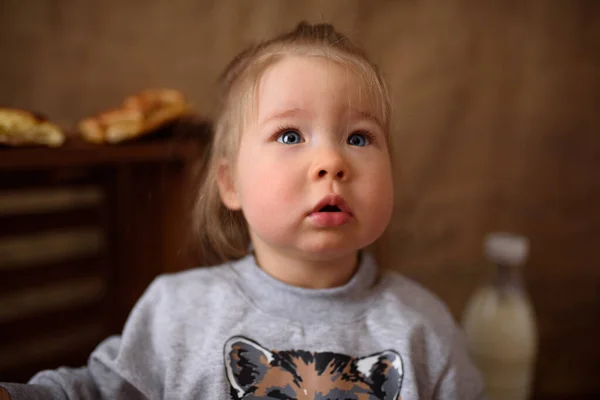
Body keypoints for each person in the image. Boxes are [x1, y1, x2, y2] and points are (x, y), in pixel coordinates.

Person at [0, 22, 485, 400]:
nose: (332, 162)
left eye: (359, 138)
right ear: (230, 183)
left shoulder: (423, 328)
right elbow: (93, 392)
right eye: (290, 135)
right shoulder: (178, 313)